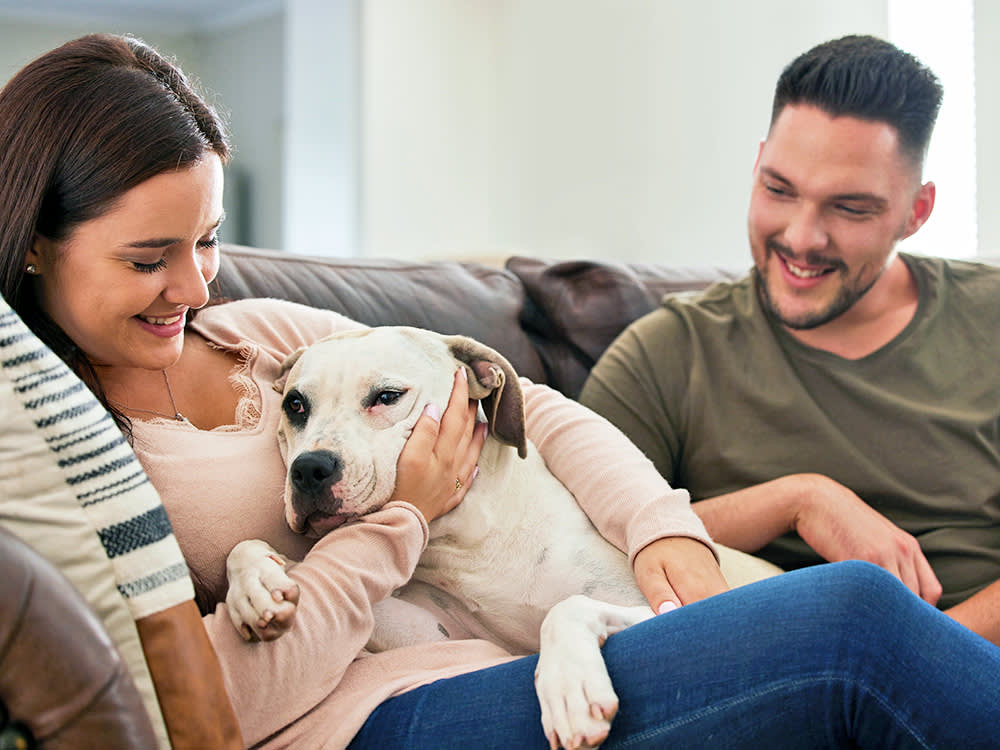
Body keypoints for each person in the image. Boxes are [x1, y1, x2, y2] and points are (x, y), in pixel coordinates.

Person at [3, 32, 1000, 750]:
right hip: (372, 707)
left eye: (210, 242)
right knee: (854, 625)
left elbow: (541, 410)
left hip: (522, 654)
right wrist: (399, 521)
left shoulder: (259, 335)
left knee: (847, 626)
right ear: (38, 242)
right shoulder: (57, 434)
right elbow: (204, 719)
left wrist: (661, 530)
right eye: (148, 259)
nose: (195, 285)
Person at [581, 34, 1000, 647]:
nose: (802, 238)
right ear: (756, 166)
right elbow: (575, 549)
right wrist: (796, 501)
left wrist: (921, 659)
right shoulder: (664, 356)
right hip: (772, 682)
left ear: (917, 210)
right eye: (779, 190)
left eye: (850, 208)